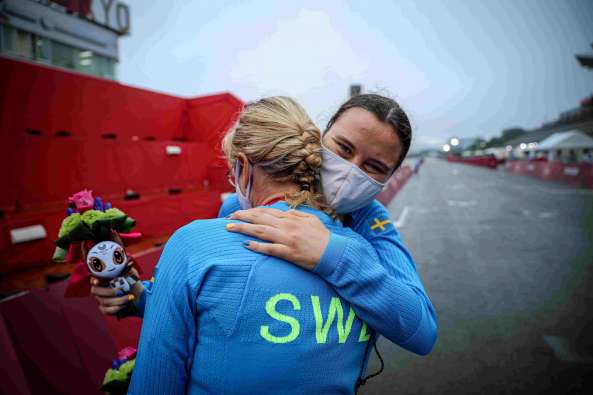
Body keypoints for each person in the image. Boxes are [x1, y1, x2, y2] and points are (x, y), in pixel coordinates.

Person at [92, 94, 437, 358]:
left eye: (374, 166)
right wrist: (140, 299)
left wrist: (335, 255)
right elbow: (212, 303)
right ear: (321, 136)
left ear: (390, 178)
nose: (351, 169)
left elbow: (421, 331)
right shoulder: (242, 206)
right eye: (343, 148)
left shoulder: (372, 223)